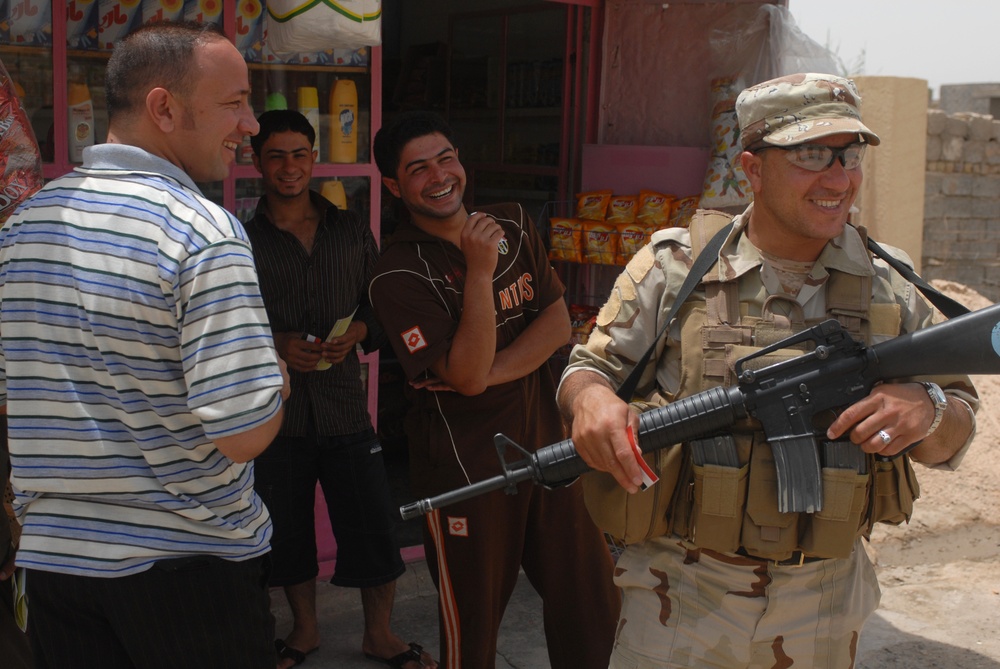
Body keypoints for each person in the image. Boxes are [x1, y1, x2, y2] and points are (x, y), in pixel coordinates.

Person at [556, 72, 980, 668]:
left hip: (826, 603)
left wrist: (928, 408)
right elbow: (587, 369)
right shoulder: (675, 267)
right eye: (811, 155)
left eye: (850, 154)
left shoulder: (889, 282)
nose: (839, 178)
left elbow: (955, 426)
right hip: (679, 595)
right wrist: (590, 402)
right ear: (752, 169)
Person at [0, 22, 290, 669]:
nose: (250, 124)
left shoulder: (25, 226)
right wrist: (274, 376)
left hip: (58, 569)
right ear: (164, 107)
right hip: (187, 569)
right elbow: (243, 429)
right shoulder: (200, 230)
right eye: (234, 102)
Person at [369, 110, 621, 669]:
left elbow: (556, 327)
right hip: (469, 472)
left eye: (446, 158)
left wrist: (483, 373)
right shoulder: (397, 272)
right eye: (418, 169)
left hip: (552, 449)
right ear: (393, 185)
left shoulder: (510, 221)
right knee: (474, 624)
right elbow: (464, 373)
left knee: (591, 599)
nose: (439, 176)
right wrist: (480, 271)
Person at [244, 109, 437, 669]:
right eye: (275, 155)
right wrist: (277, 342)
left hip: (345, 408)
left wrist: (360, 330)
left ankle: (380, 634)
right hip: (277, 412)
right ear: (257, 163)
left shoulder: (350, 229)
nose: (289, 167)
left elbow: (383, 301)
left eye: (299, 154)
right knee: (287, 532)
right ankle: (304, 631)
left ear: (313, 159)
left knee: (374, 522)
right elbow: (229, 316)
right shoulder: (243, 238)